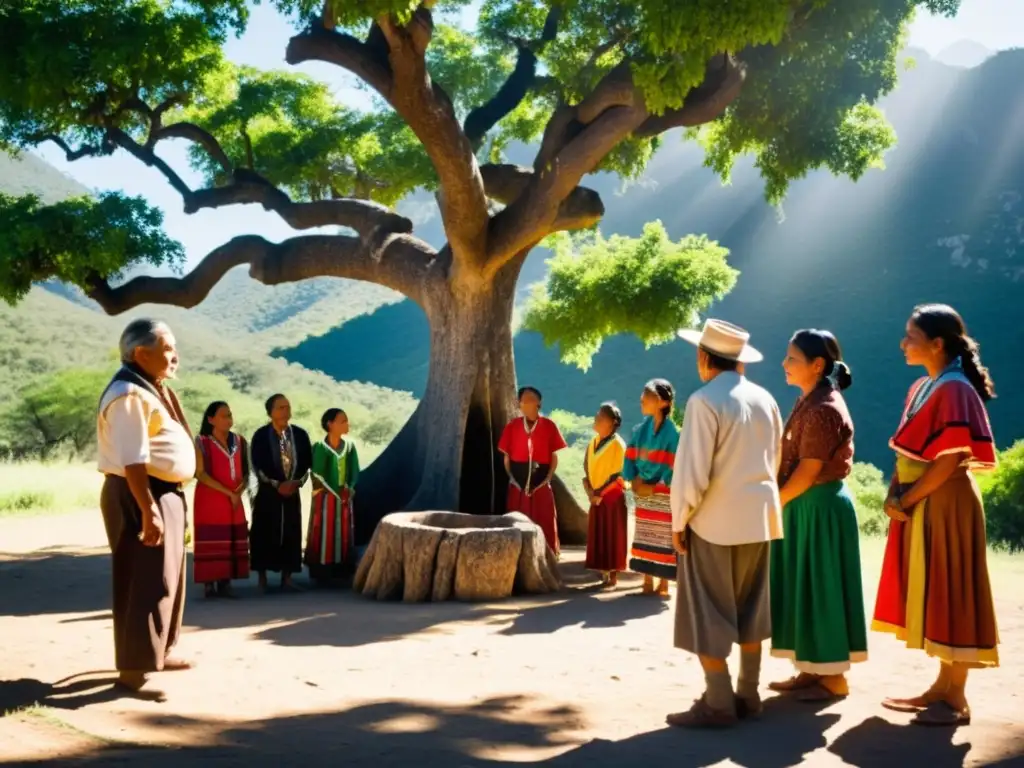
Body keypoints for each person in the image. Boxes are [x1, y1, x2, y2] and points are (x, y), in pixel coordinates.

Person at [872, 304, 999, 727]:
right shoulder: (923, 387)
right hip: (925, 499)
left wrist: (907, 500)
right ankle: (941, 687)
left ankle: (956, 697)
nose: (903, 343)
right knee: (938, 590)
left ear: (937, 343)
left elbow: (949, 461)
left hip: (946, 501)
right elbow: (909, 451)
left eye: (910, 336)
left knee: (954, 588)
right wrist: (896, 491)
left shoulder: (955, 390)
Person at [667, 318, 784, 728]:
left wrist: (679, 520)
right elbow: (776, 461)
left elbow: (693, 471)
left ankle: (718, 701)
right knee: (752, 607)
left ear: (703, 358)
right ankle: (748, 694)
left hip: (714, 522)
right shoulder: (766, 399)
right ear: (740, 362)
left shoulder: (704, 401)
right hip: (761, 519)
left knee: (708, 610)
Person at [96, 319, 196, 701]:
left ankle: (158, 652)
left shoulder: (150, 389)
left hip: (161, 492)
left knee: (167, 579)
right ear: (142, 353)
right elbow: (133, 460)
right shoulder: (128, 395)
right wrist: (149, 509)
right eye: (168, 348)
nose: (175, 356)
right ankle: (133, 671)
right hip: (141, 493)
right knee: (143, 579)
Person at [769, 330, 867, 702]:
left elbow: (808, 472)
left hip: (819, 507)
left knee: (821, 587)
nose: (784, 364)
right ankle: (811, 668)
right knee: (803, 586)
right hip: (804, 506)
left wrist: (773, 503)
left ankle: (834, 678)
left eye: (792, 358)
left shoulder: (825, 408)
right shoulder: (809, 401)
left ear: (817, 365)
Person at [249, 394, 313, 593]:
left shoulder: (300, 435)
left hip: (292, 491)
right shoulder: (261, 435)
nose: (286, 411)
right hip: (269, 491)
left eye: (288, 407)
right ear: (270, 412)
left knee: (291, 531)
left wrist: (296, 483)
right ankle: (262, 579)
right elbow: (257, 464)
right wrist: (277, 484)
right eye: (281, 407)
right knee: (263, 531)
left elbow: (308, 464)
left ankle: (287, 577)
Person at [623, 379, 679, 597]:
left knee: (663, 536)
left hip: (663, 492)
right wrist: (634, 480)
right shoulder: (640, 430)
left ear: (662, 402)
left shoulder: (672, 434)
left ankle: (664, 582)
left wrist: (656, 487)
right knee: (645, 533)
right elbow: (630, 454)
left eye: (647, 396)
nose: (641, 399)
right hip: (642, 490)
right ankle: (647, 579)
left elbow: (674, 464)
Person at [498, 386, 568, 556]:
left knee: (544, 518)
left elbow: (554, 456)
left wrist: (548, 478)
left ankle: (549, 555)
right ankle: (517, 555)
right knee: (518, 520)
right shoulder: (512, 427)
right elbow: (506, 458)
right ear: (519, 404)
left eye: (532, 400)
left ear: (539, 403)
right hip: (518, 483)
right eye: (524, 401)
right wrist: (512, 479)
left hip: (541, 482)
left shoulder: (549, 426)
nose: (528, 404)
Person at [193, 401, 250, 599]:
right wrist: (229, 493)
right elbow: (200, 474)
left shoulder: (240, 441)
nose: (228, 419)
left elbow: (246, 472)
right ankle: (209, 583)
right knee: (211, 536)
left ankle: (225, 581)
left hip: (234, 497)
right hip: (210, 497)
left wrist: (238, 492)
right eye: (223, 415)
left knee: (231, 536)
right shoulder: (201, 441)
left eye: (230, 415)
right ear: (211, 420)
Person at [305, 408, 361, 584]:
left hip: (344, 497)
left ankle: (342, 570)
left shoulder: (350, 447)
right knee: (324, 531)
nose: (347, 424)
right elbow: (317, 473)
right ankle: (322, 571)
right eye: (342, 421)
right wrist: (334, 492)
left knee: (344, 532)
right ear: (330, 424)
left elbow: (354, 470)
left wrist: (350, 487)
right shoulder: (320, 447)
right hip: (325, 498)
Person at [582, 402, 628, 588]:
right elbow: (587, 466)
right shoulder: (593, 442)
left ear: (612, 423)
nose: (597, 418)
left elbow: (618, 475)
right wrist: (591, 492)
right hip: (596, 496)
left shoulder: (618, 444)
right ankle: (603, 572)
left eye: (602, 417)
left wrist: (600, 494)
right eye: (598, 414)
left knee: (612, 535)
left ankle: (613, 574)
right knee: (599, 534)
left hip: (611, 498)